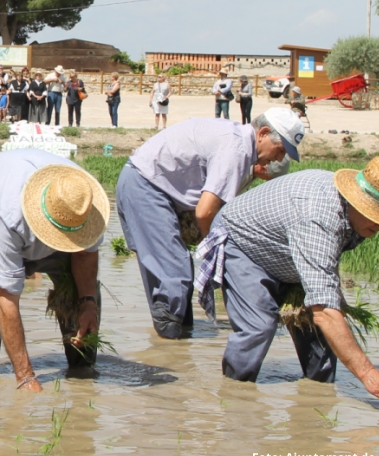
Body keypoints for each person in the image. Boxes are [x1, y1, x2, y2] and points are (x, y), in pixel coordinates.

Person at [195, 157, 379, 410]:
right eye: (377, 217)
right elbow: (325, 311)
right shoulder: (317, 214)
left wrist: (329, 300)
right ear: (356, 202)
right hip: (245, 244)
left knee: (318, 335)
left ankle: (317, 410)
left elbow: (325, 273)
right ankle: (234, 397)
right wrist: (369, 375)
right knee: (259, 327)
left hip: (290, 251)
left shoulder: (358, 219)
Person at [115, 108, 303, 339]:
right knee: (174, 275)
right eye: (281, 150)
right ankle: (170, 359)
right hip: (146, 186)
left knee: (176, 274)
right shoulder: (237, 149)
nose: (279, 158)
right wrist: (214, 249)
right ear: (263, 133)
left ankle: (179, 340)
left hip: (156, 189)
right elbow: (205, 213)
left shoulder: (237, 143)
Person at [0, 149, 109, 391]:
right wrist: (25, 377)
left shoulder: (84, 202)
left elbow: (85, 254)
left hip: (37, 204)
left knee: (78, 293)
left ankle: (82, 373)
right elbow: (7, 296)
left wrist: (88, 303)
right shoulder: (10, 214)